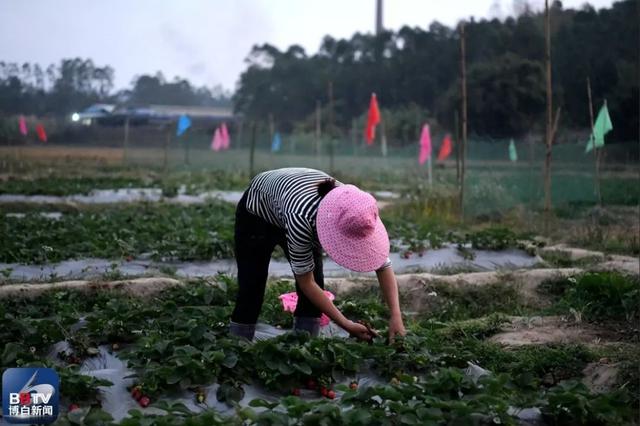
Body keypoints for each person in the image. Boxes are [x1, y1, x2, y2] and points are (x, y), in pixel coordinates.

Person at [229, 167, 406, 342]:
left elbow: (383, 266)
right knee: (252, 285)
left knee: (316, 284)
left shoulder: (361, 212)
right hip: (257, 213)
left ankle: (304, 345)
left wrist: (396, 316)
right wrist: (346, 324)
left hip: (294, 197)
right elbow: (306, 282)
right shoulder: (302, 217)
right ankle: (238, 346)